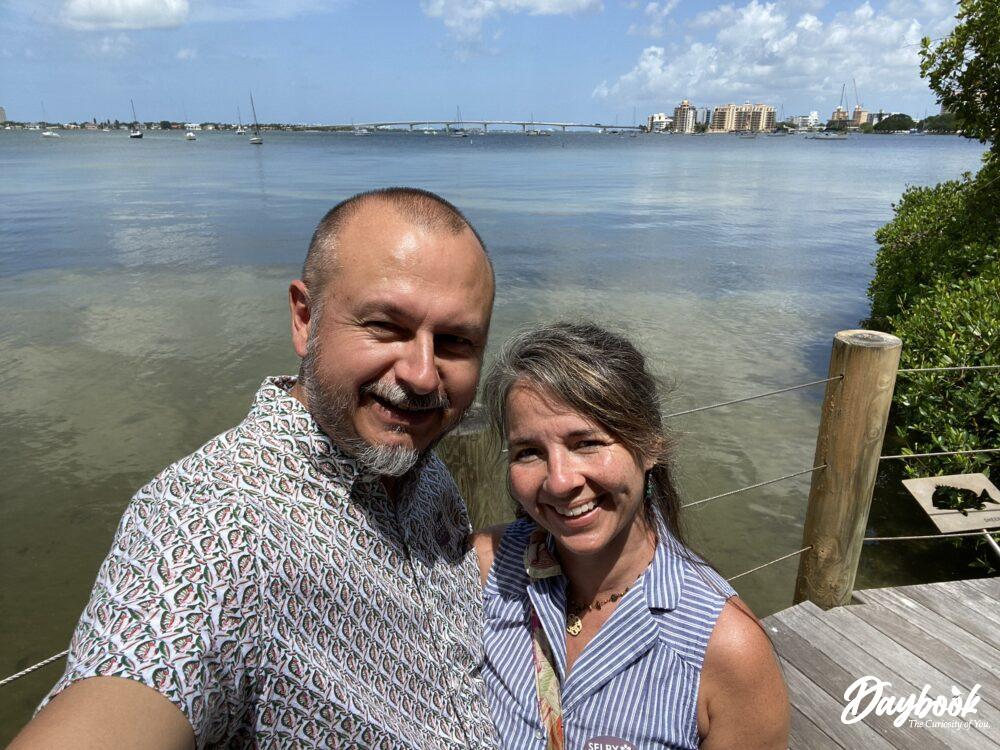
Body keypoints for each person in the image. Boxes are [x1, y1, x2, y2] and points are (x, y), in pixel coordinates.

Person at [11, 188, 499, 749]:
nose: (420, 373)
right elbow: (128, 688)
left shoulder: (418, 464)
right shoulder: (211, 521)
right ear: (304, 318)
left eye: (456, 341)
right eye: (385, 325)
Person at [473, 322, 789, 750]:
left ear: (650, 445)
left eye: (586, 442)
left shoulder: (727, 650)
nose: (561, 481)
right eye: (529, 452)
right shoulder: (486, 571)